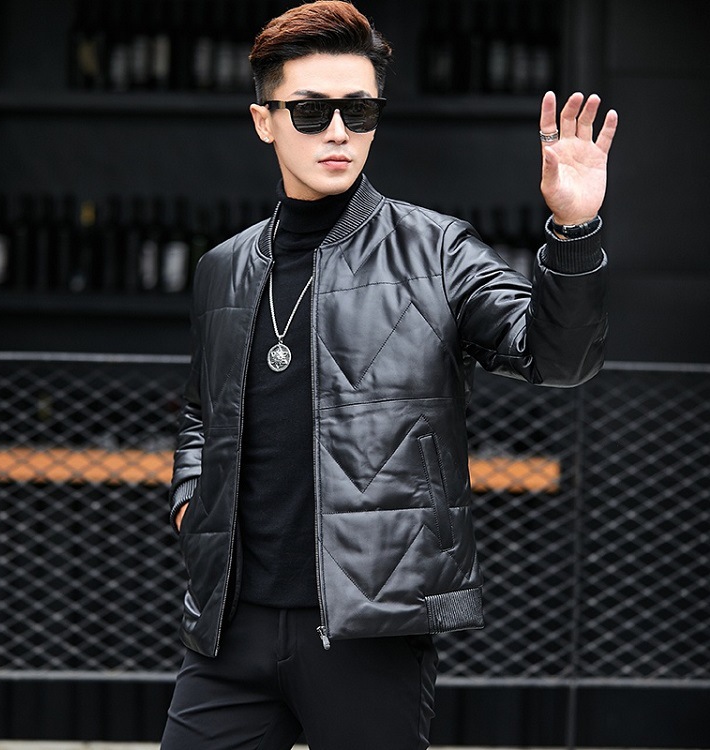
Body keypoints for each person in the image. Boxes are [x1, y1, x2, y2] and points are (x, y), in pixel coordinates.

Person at [161, 1, 618, 748]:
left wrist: (573, 231)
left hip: (371, 632)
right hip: (228, 631)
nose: (339, 131)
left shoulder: (436, 251)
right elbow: (201, 415)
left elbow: (558, 358)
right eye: (311, 111)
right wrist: (191, 502)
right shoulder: (225, 268)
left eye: (360, 109)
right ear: (264, 121)